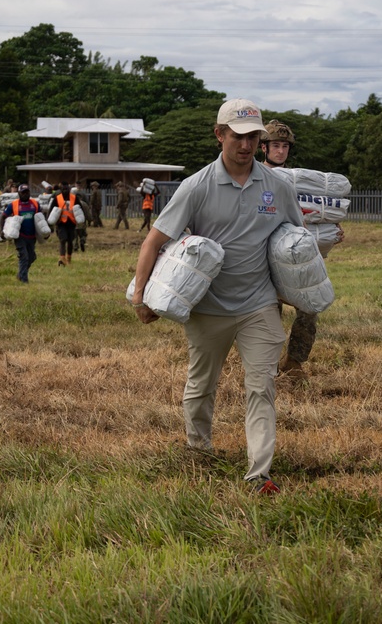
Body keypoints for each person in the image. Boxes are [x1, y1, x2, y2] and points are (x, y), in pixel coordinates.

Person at [131, 99, 304, 494]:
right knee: (201, 385)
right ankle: (199, 450)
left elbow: (296, 239)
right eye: (238, 136)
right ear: (220, 134)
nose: (246, 145)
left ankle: (259, 473)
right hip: (208, 308)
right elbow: (153, 242)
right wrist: (140, 297)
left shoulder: (278, 186)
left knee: (261, 386)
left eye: (253, 137)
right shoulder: (197, 187)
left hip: (258, 305)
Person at [259, 119, 334, 382]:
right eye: (275, 146)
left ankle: (294, 362)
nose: (280, 151)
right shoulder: (256, 177)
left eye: (284, 146)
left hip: (298, 259)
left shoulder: (300, 183)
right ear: (264, 148)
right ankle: (265, 365)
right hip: (264, 260)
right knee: (268, 314)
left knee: (309, 308)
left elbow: (317, 216)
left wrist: (331, 233)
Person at [0, 184, 41, 283]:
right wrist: (1, 231)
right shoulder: (13, 205)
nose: (25, 194)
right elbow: (3, 216)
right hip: (20, 236)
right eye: (23, 193)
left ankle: (21, 273)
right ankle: (24, 280)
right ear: (19, 193)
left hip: (32, 236)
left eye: (27, 192)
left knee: (32, 257)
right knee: (24, 256)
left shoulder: (35, 204)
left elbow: (40, 219)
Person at [53, 182, 79, 266]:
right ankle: (62, 258)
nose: (65, 190)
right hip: (61, 223)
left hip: (71, 223)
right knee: (62, 240)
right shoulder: (57, 198)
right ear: (61, 189)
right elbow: (51, 210)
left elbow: (80, 209)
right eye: (63, 188)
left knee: (70, 241)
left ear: (69, 189)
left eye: (66, 188)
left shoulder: (74, 198)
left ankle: (69, 258)